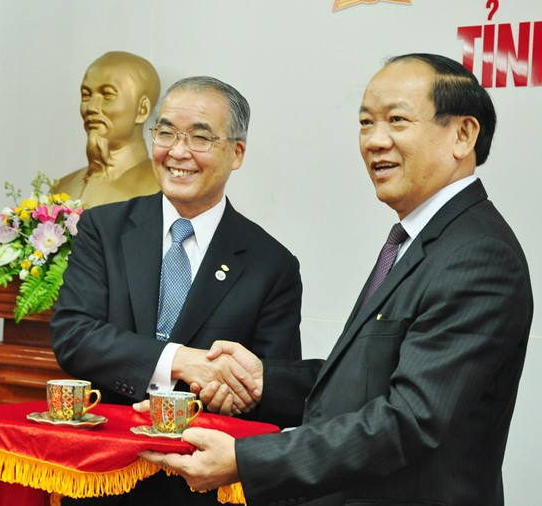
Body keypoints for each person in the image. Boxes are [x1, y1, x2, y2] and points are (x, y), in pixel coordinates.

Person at [140, 53, 533, 506]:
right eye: (366, 123)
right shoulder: (421, 237)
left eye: (397, 121)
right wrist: (263, 381)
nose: (375, 141)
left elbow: (409, 419)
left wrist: (249, 460)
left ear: (462, 135)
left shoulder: (477, 254)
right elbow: (367, 380)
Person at [50, 76, 303, 505]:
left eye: (200, 137)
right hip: (104, 478)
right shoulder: (104, 229)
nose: (178, 152)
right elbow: (74, 334)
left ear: (237, 152)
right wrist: (183, 362)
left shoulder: (271, 264)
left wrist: (232, 391)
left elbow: (271, 387)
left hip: (201, 487)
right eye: (166, 133)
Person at [54, 51, 161, 208]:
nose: (91, 107)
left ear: (141, 109)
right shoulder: (61, 188)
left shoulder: (159, 189)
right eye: (86, 96)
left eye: (107, 95)